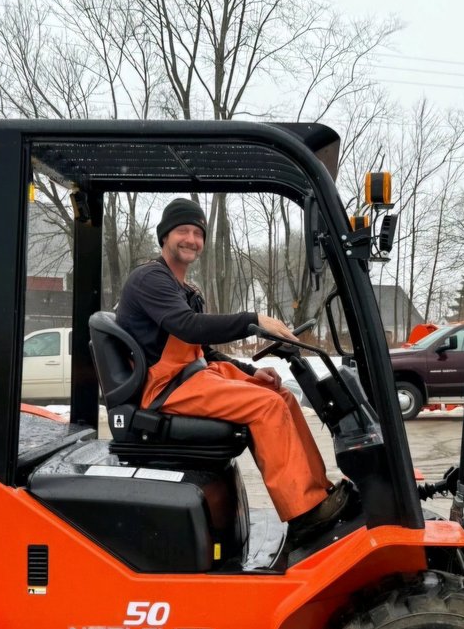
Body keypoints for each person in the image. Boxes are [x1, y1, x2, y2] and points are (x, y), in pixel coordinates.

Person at [116, 198, 349, 541]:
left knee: (279, 394)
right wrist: (253, 320)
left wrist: (248, 372)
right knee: (265, 407)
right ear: (165, 236)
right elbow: (189, 327)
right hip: (164, 387)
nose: (191, 239)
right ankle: (304, 514)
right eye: (183, 230)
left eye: (198, 233)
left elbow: (203, 351)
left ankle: (316, 491)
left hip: (192, 375)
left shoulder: (185, 289)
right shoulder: (150, 279)